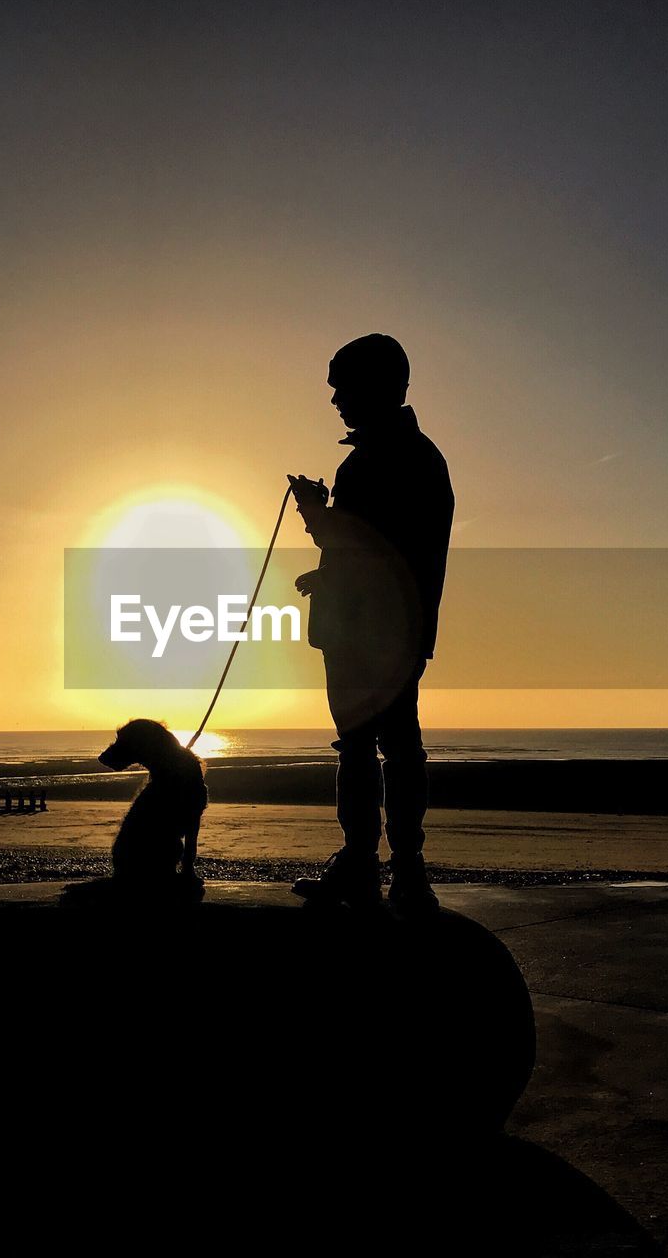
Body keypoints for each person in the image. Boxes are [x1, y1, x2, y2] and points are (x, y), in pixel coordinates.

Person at [288, 333, 454, 914]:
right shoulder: (407, 456)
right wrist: (325, 573)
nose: (335, 400)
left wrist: (315, 514)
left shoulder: (384, 460)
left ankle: (377, 866)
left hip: (373, 634)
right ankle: (397, 869)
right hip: (389, 628)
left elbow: (371, 550)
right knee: (390, 746)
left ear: (377, 387)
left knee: (370, 747)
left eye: (343, 387)